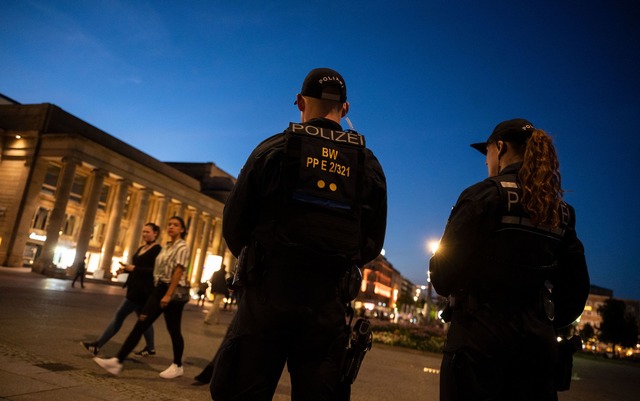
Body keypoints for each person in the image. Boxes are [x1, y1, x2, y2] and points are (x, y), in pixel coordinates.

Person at [208, 68, 387, 401]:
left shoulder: (272, 150)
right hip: (327, 304)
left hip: (267, 297)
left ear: (300, 102)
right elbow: (373, 242)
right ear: (345, 109)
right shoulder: (368, 165)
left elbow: (234, 225)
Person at [429, 118, 590, 401]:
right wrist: (544, 320)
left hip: (478, 344)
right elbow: (576, 289)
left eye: (488, 153)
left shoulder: (484, 195)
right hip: (537, 349)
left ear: (500, 148)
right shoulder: (560, 211)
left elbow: (442, 276)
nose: (486, 162)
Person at [94, 216, 191, 379]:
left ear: (182, 229)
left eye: (176, 225)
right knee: (141, 323)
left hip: (173, 292)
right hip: (159, 288)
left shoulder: (182, 247)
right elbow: (157, 271)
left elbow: (178, 272)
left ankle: (177, 365)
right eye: (169, 224)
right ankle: (117, 361)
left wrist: (167, 294)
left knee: (174, 330)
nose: (171, 227)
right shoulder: (167, 246)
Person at [81, 223, 161, 356]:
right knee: (144, 320)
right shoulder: (142, 248)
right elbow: (137, 266)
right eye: (143, 232)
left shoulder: (157, 250)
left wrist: (134, 269)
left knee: (119, 316)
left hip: (141, 291)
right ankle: (150, 348)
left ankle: (97, 345)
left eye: (147, 232)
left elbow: (154, 271)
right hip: (134, 288)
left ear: (155, 233)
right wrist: (124, 270)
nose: (144, 234)